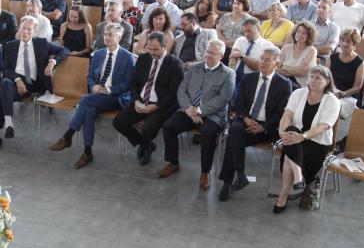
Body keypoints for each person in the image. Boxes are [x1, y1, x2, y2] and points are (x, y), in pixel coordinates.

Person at [49, 23, 135, 169]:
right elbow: (90, 77)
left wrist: (107, 89)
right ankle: (87, 152)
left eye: (111, 35)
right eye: (105, 34)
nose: (107, 37)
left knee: (84, 100)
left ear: (119, 38)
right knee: (88, 110)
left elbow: (127, 85)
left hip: (115, 96)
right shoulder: (99, 54)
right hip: (96, 95)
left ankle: (68, 136)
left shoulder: (128, 57)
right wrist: (93, 86)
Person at [0, 16, 70, 154]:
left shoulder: (41, 44)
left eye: (29, 29)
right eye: (23, 28)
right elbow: (5, 69)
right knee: (5, 82)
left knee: (0, 96)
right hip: (13, 81)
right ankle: (8, 124)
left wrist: (52, 62)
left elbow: (65, 50)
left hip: (31, 84)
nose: (25, 32)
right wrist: (17, 79)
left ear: (34, 31)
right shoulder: (11, 45)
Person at [217, 44, 292, 199]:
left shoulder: (284, 84)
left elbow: (282, 113)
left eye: (267, 60)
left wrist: (263, 127)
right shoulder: (249, 78)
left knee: (233, 138)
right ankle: (239, 175)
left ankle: (229, 181)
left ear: (276, 63)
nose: (262, 63)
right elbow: (238, 103)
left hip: (268, 127)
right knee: (235, 130)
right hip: (246, 121)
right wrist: (246, 118)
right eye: (261, 59)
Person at [158, 40, 235, 191]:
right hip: (189, 109)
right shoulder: (193, 68)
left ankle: (205, 172)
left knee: (207, 133)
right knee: (169, 126)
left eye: (213, 53)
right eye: (207, 51)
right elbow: (182, 90)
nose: (208, 55)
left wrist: (199, 111)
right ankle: (173, 162)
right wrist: (188, 109)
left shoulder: (228, 74)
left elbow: (223, 99)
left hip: (214, 115)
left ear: (221, 56)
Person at [274, 65, 341, 212]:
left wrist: (302, 137)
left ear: (327, 81)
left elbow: (324, 126)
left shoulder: (332, 101)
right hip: (295, 137)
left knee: (289, 154)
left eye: (318, 78)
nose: (313, 80)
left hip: (317, 142)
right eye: (311, 77)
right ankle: (298, 178)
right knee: (291, 133)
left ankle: (283, 195)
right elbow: (287, 115)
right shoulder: (298, 93)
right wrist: (282, 132)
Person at [114, 31, 184, 165]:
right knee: (119, 122)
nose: (151, 52)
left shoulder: (175, 64)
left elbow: (174, 93)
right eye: (149, 48)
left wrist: (156, 106)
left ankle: (145, 145)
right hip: (141, 101)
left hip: (161, 105)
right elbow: (134, 83)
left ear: (164, 46)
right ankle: (146, 144)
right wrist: (136, 101)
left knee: (148, 128)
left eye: (155, 49)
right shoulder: (143, 59)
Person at [327, 28, 364, 143]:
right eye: (342, 40)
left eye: (348, 41)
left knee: (331, 105)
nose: (344, 43)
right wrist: (331, 91)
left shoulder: (360, 62)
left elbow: (357, 87)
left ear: (355, 44)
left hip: (348, 96)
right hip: (331, 91)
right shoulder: (332, 57)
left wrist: (341, 94)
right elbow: (326, 77)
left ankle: (329, 141)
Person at [230, 17, 272, 82]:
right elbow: (233, 57)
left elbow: (257, 66)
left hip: (253, 79)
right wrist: (231, 73)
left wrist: (241, 55)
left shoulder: (267, 46)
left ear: (258, 29)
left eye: (249, 31)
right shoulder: (240, 40)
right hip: (235, 76)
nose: (247, 34)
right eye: (245, 31)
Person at [277, 21, 318, 88]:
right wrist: (296, 71)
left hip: (301, 84)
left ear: (309, 36)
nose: (300, 35)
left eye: (304, 33)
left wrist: (285, 67)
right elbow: (277, 68)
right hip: (284, 80)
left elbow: (303, 72)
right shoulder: (286, 48)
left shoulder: (312, 50)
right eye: (298, 32)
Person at [216, 0, 251, 64]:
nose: (235, 6)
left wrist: (229, 43)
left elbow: (246, 37)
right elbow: (218, 30)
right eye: (234, 3)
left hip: (239, 47)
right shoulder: (226, 16)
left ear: (244, 6)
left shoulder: (248, 19)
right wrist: (224, 41)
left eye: (238, 4)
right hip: (223, 45)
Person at [311, 0, 340, 64]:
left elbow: (327, 50)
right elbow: (300, 44)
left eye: (324, 8)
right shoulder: (309, 24)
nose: (320, 10)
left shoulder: (335, 28)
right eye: (318, 7)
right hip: (306, 56)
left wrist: (308, 49)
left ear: (330, 11)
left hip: (323, 59)